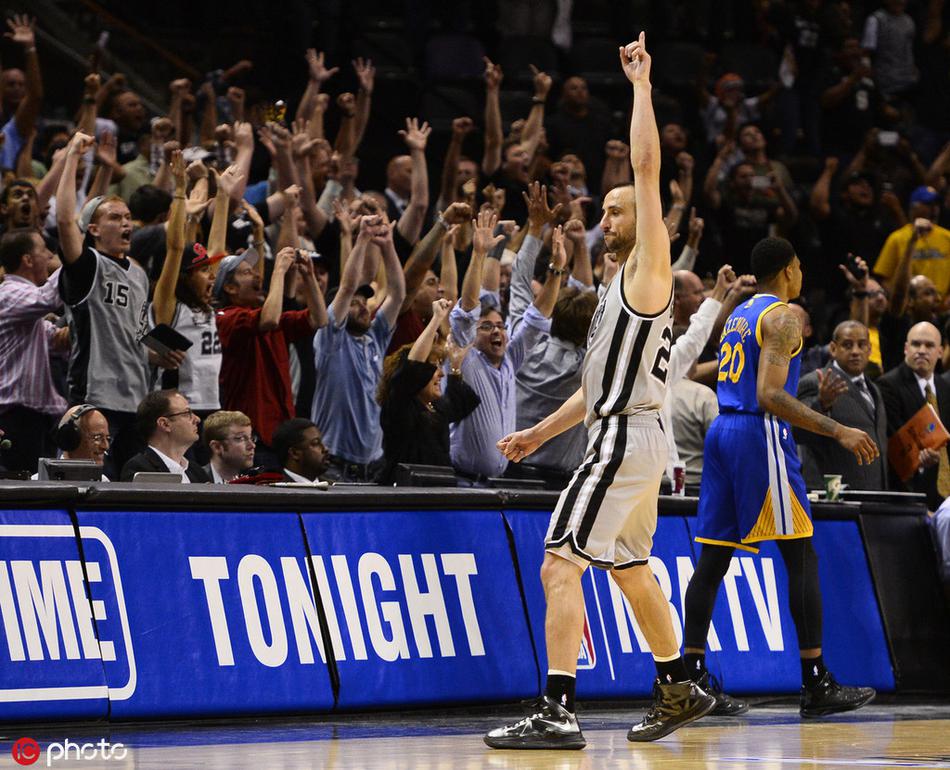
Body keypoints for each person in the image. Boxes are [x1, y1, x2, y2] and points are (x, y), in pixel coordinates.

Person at [485, 35, 715, 751]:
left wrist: (641, 86)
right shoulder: (612, 291)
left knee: (560, 562)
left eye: (614, 212)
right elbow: (593, 391)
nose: (604, 219)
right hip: (628, 434)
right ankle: (679, 683)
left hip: (624, 440)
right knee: (631, 568)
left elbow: (646, 171)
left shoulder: (648, 275)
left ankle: (556, 709)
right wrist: (537, 435)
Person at [683, 236, 878, 719]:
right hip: (758, 433)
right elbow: (771, 395)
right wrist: (839, 429)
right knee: (802, 554)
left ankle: (687, 679)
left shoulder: (741, 314)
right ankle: (815, 681)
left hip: (723, 432)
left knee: (712, 558)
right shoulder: (784, 317)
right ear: (790, 270)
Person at [55, 132, 162, 477]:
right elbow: (63, 221)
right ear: (95, 229)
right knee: (91, 483)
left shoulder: (140, 274)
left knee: (133, 488)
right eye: (115, 217)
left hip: (138, 398)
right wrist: (73, 156)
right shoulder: (89, 267)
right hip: (96, 395)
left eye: (128, 216)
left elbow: (140, 332)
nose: (126, 222)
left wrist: (159, 353)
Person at [449, 210, 560, 483]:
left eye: (500, 326)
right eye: (487, 326)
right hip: (461, 483)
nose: (496, 331)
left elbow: (536, 320)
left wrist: (556, 270)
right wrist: (478, 255)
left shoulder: (510, 359)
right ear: (473, 334)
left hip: (493, 485)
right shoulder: (468, 357)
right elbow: (467, 308)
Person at [311, 215, 405, 481]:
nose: (363, 306)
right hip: (335, 464)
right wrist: (362, 240)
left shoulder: (375, 338)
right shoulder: (330, 340)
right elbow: (347, 286)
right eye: (354, 303)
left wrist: (388, 246)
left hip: (375, 463)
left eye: (365, 301)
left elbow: (397, 294)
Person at [215, 244, 327, 466]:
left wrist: (309, 276)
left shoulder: (268, 317)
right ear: (229, 287)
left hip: (281, 435)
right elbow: (269, 320)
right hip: (249, 439)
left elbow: (319, 319)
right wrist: (278, 272)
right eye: (247, 272)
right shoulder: (225, 318)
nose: (257, 276)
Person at [377, 299, 480, 484]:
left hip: (440, 496)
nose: (441, 374)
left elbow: (459, 404)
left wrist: (455, 367)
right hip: (404, 499)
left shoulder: (435, 408)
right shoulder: (399, 408)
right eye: (433, 367)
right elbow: (411, 369)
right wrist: (436, 320)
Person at [0, 228, 67, 473]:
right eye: (43, 250)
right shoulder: (9, 294)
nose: (50, 255)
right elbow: (48, 298)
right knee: (19, 490)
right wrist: (77, 258)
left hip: (32, 417)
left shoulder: (26, 311)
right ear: (27, 259)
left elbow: (56, 340)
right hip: (12, 416)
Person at [797, 321, 888, 491]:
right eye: (847, 345)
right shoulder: (814, 381)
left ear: (869, 349)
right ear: (833, 348)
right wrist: (822, 404)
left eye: (861, 345)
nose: (855, 351)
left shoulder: (874, 389)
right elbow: (797, 432)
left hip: (873, 495)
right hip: (833, 495)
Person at [877, 322, 950, 508]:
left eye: (929, 345)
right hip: (909, 493)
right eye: (916, 344)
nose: (922, 350)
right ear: (906, 348)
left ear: (940, 352)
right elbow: (896, 443)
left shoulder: (945, 387)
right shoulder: (888, 386)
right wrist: (922, 462)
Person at [120, 390, 211, 482]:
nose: (197, 419)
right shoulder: (140, 468)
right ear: (164, 424)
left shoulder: (196, 471)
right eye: (187, 413)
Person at [202, 410, 255, 483]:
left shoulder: (254, 481)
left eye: (251, 438)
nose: (252, 446)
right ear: (217, 447)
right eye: (240, 438)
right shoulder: (195, 481)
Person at [271, 418, 329, 484]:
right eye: (315, 443)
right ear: (294, 453)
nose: (325, 449)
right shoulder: (274, 491)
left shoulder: (334, 486)